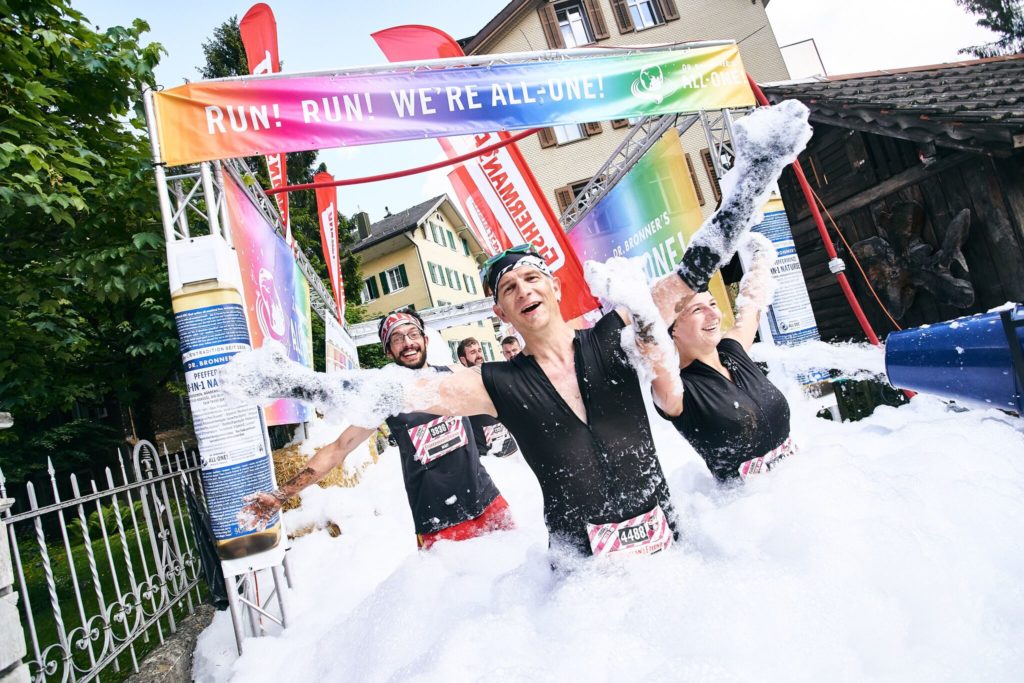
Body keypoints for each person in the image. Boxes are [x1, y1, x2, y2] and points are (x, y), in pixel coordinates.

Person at [223, 100, 812, 558]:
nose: (524, 289)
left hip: (668, 548)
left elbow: (692, 272)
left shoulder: (614, 337)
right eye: (508, 288)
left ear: (555, 287)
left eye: (533, 278)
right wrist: (288, 382)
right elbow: (384, 395)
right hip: (578, 572)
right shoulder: (494, 382)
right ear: (499, 314)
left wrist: (755, 177)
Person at [237, 308, 514, 550]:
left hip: (489, 502)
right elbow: (337, 450)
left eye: (413, 334)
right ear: (388, 350)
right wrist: (281, 495)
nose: (407, 343)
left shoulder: (453, 374)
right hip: (438, 522)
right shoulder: (386, 398)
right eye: (397, 338)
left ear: (425, 339)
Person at [659, 234, 794, 483]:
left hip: (798, 481)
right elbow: (652, 360)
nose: (714, 314)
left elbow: (751, 304)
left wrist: (761, 258)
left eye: (712, 303)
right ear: (672, 329)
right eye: (698, 310)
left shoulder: (732, 351)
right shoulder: (678, 391)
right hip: (750, 509)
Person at [457, 336, 521, 458]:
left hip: (512, 449)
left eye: (479, 350)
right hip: (487, 455)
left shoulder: (492, 375)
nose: (479, 355)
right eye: (473, 352)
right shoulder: (461, 385)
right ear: (463, 359)